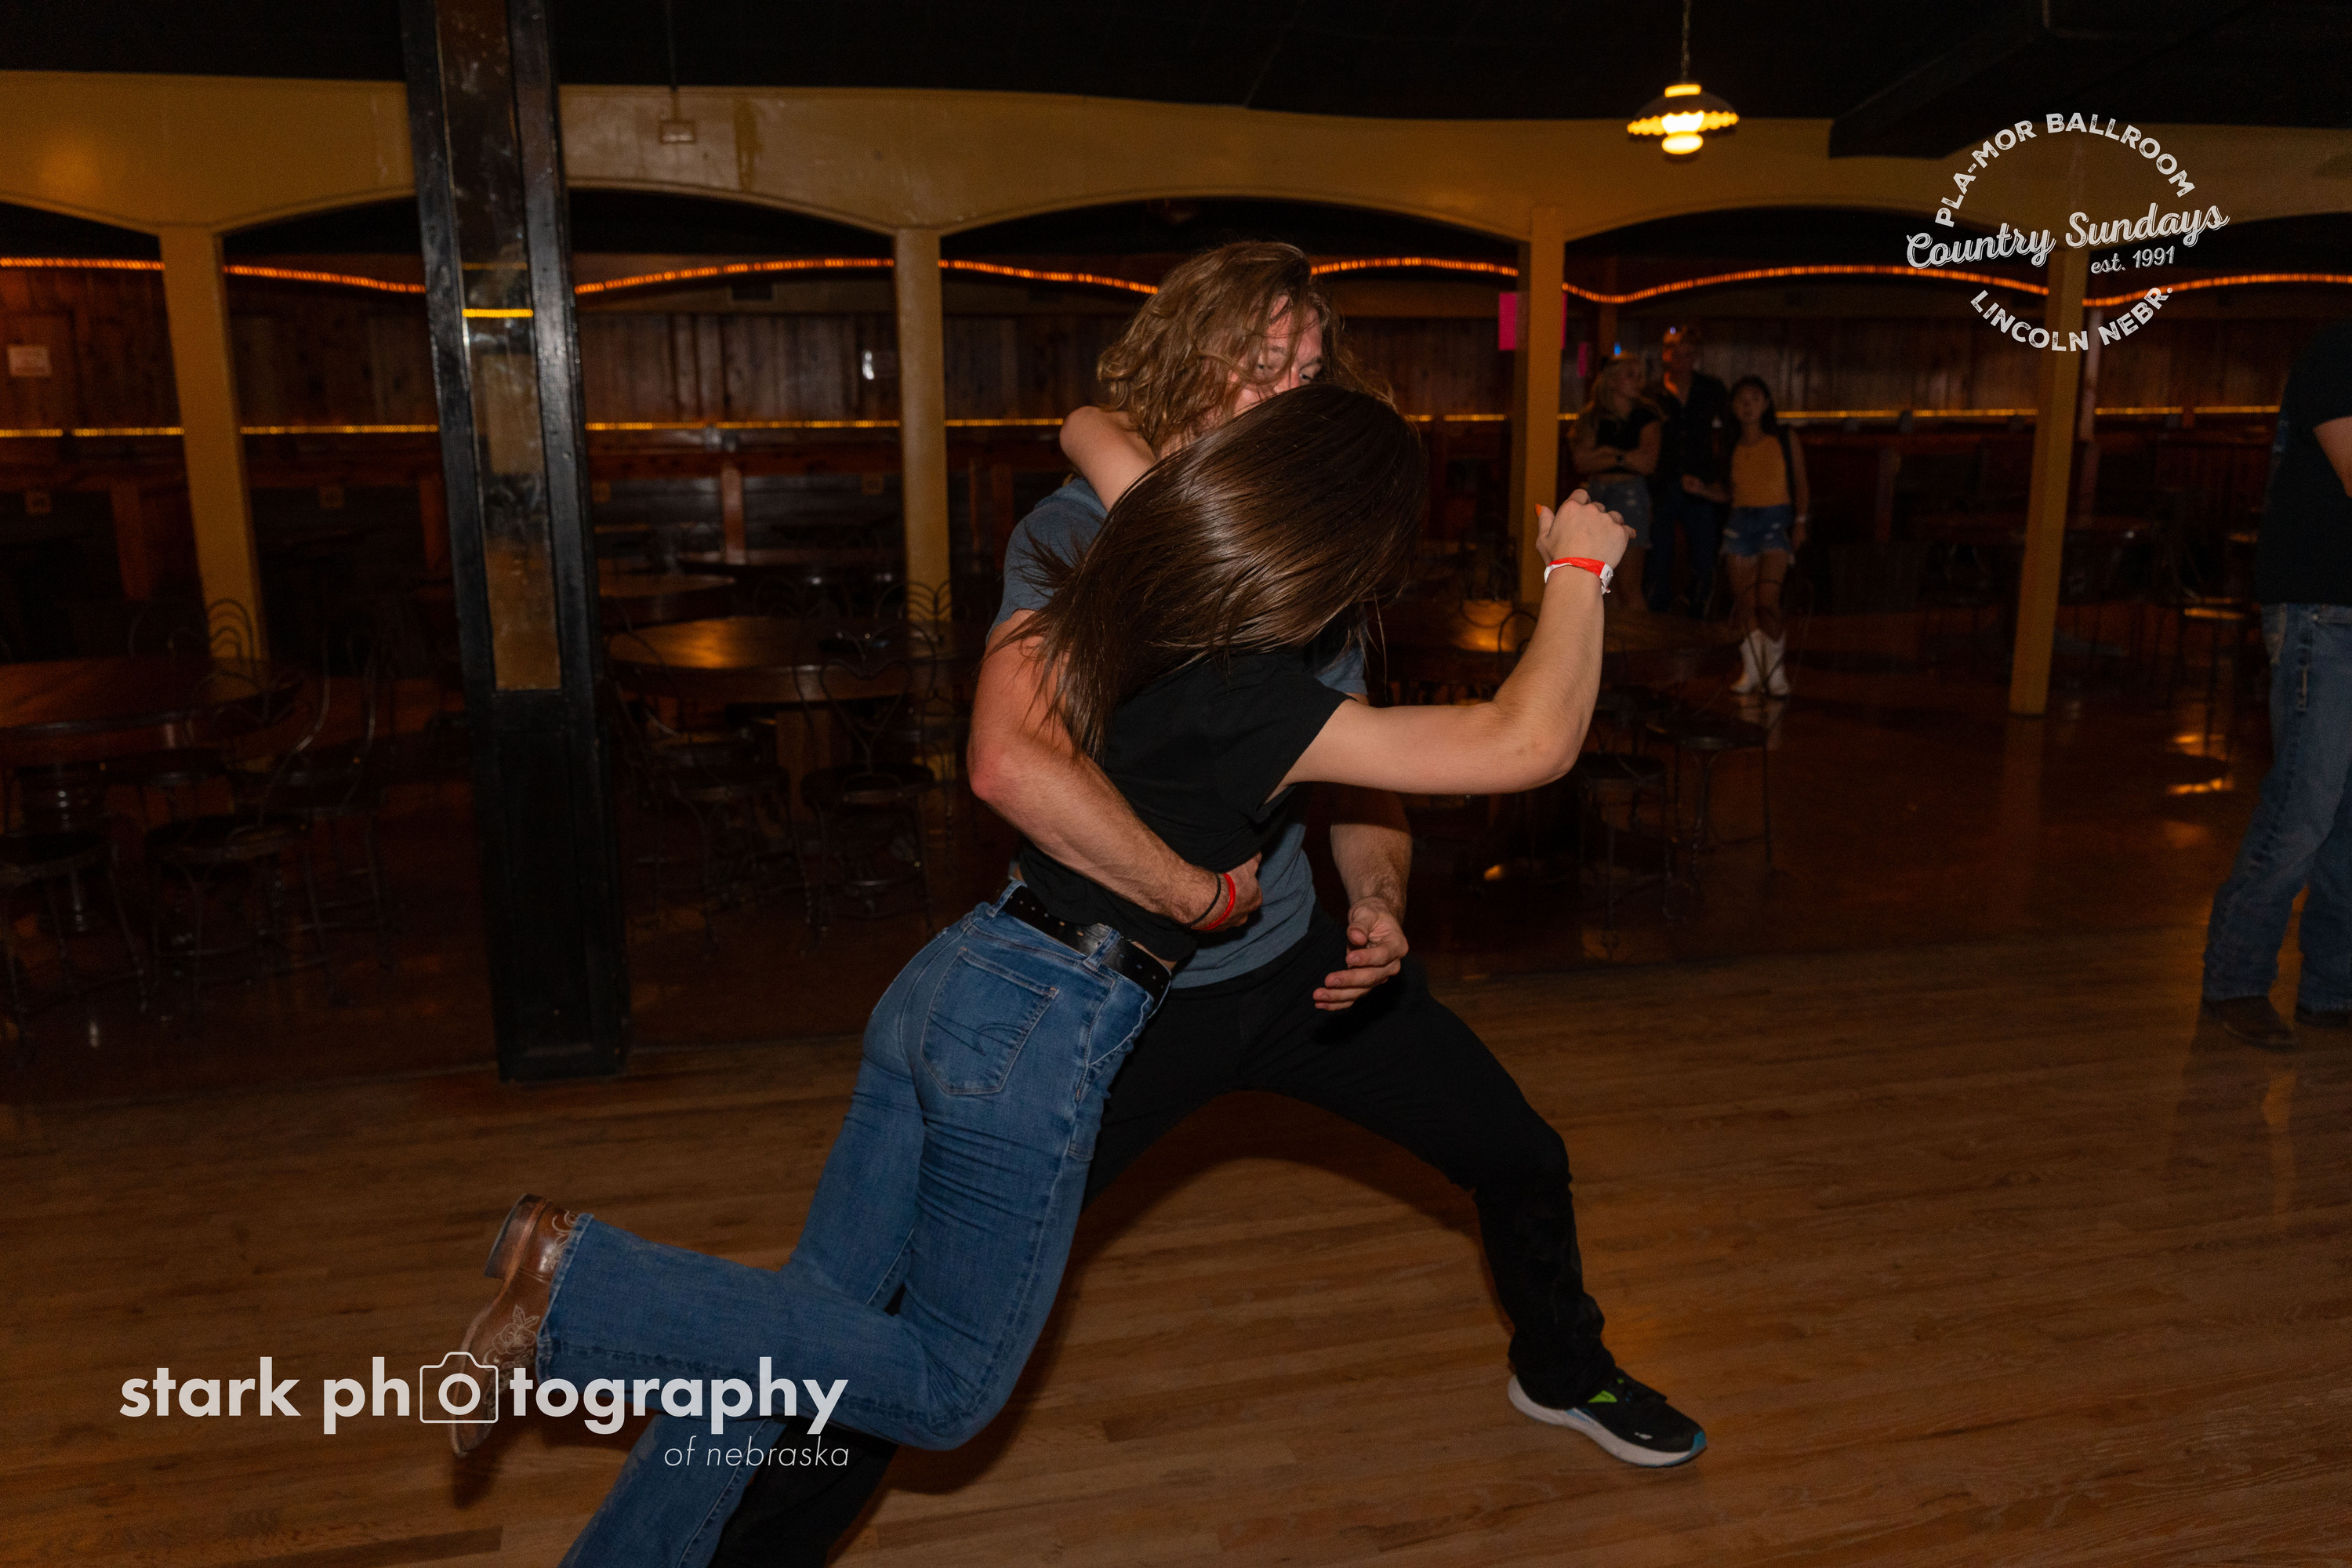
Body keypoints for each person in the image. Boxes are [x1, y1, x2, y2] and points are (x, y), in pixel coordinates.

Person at [544, 247, 1701, 1568]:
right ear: (1186, 366)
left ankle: (1563, 1366)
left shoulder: (1284, 547)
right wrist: (1194, 894)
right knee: (906, 1337)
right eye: (1256, 363)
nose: (1284, 390)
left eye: (1306, 369)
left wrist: (1377, 904)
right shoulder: (1090, 537)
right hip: (1108, 998)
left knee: (1518, 1150)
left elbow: (1349, 763)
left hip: (1290, 967)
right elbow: (1014, 758)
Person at [2199, 317, 2352, 1047]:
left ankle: (2333, 988)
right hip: (2323, 610)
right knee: (2303, 807)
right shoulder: (2339, 354)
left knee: (2349, 817)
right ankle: (2235, 979)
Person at [1686, 374, 1808, 696]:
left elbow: (1801, 483)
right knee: (1745, 603)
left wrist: (1801, 521)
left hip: (1775, 522)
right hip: (1740, 524)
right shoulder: (1729, 445)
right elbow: (1728, 492)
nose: (1748, 405)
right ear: (1733, 407)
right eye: (1741, 400)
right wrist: (1702, 489)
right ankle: (1752, 669)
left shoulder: (1784, 438)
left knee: (1768, 599)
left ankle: (1775, 670)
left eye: (1755, 398)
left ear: (1766, 403)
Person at [1646, 324, 1733, 616]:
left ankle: (1700, 614)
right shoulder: (1653, 393)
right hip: (1662, 483)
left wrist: (1720, 476)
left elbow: (1730, 429)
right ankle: (1657, 617)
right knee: (1659, 556)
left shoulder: (1711, 389)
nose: (1683, 360)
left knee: (1704, 555)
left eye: (1689, 355)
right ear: (1666, 354)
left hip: (1700, 481)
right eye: (1677, 354)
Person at [1569, 354, 1662, 607]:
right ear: (1611, 380)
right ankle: (1609, 632)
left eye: (1640, 376)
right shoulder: (1593, 417)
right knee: (1600, 582)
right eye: (1630, 375)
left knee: (1629, 584)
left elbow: (1647, 463)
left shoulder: (1647, 417)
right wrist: (1626, 457)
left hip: (1630, 495)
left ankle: (1636, 633)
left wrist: (1609, 454)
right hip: (1597, 493)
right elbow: (1582, 461)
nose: (1637, 381)